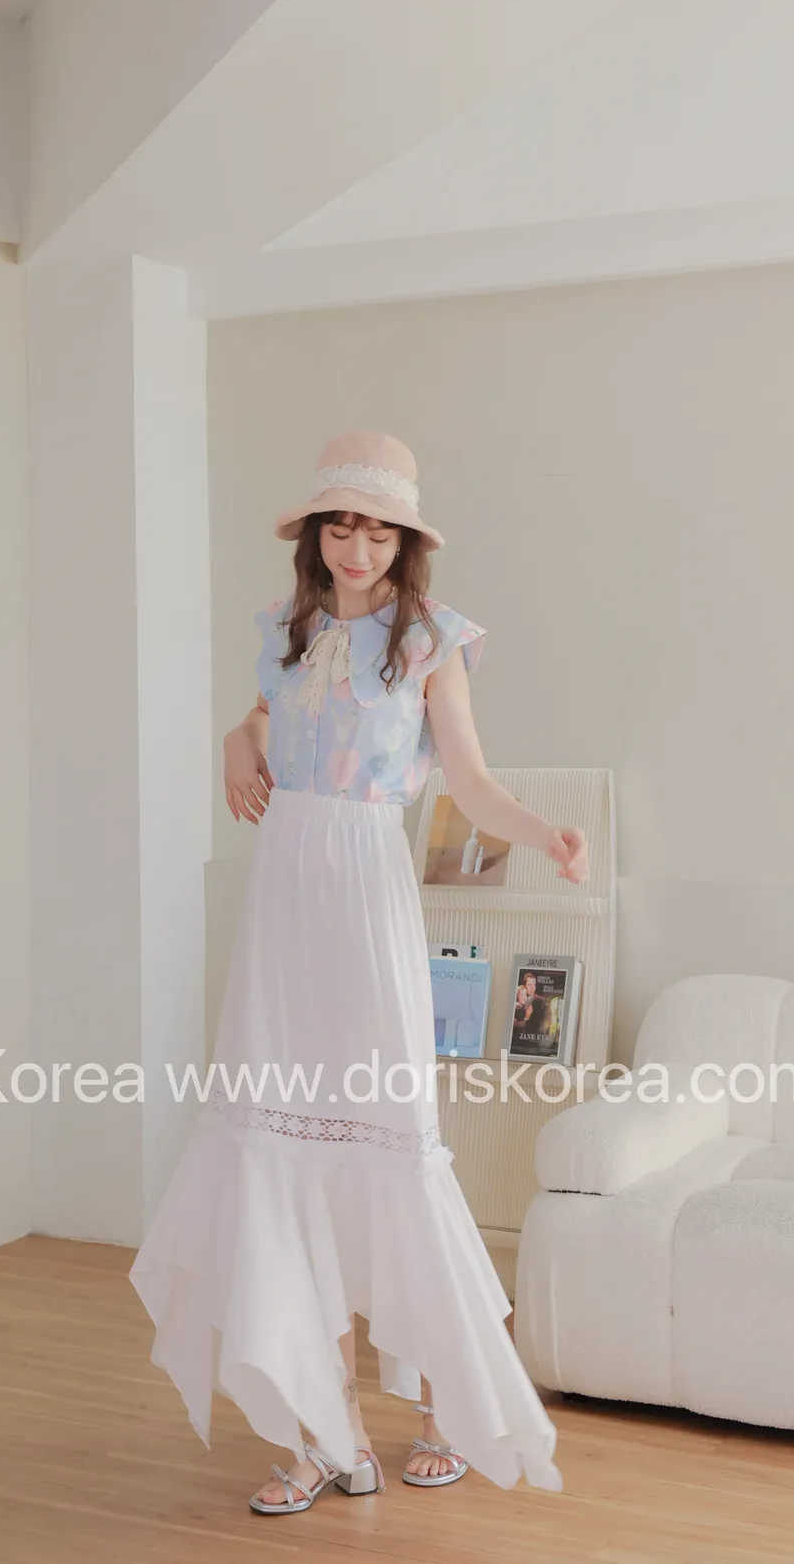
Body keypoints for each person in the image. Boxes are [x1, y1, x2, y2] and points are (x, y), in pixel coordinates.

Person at [129, 429, 588, 1515]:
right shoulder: (283, 632)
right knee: (280, 1151)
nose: (356, 546)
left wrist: (544, 833)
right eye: (340, 525)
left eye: (377, 530)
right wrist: (236, 736)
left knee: (386, 1145)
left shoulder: (429, 639)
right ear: (316, 536)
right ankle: (322, 1432)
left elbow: (468, 780)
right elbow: (272, 715)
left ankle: (438, 1410)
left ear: (404, 542)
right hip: (282, 897)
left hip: (366, 888)